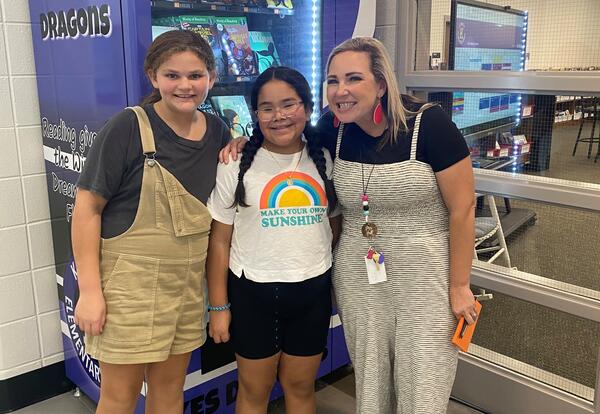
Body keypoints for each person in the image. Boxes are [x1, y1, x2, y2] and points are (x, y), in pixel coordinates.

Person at [221, 37, 476, 414]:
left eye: (353, 78)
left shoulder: (429, 125)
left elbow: (463, 207)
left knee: (424, 380)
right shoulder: (332, 128)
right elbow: (283, 138)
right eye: (332, 80)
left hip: (425, 274)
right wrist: (243, 141)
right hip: (359, 274)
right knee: (369, 380)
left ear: (381, 83)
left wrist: (460, 285)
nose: (340, 91)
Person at [72, 30, 230, 414]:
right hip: (130, 286)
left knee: (170, 391)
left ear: (211, 77)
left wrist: (216, 304)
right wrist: (90, 292)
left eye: (195, 75)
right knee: (120, 396)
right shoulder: (128, 128)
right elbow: (86, 209)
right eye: (172, 75)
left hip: (187, 286)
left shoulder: (219, 133)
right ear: (153, 76)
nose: (184, 85)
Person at [206, 66, 338, 414]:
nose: (279, 116)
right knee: (254, 390)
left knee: (300, 387)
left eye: (289, 104)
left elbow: (333, 224)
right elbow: (219, 241)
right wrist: (218, 308)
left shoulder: (323, 158)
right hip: (253, 295)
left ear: (308, 109)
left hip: (312, 293)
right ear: (256, 114)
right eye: (267, 107)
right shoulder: (235, 163)